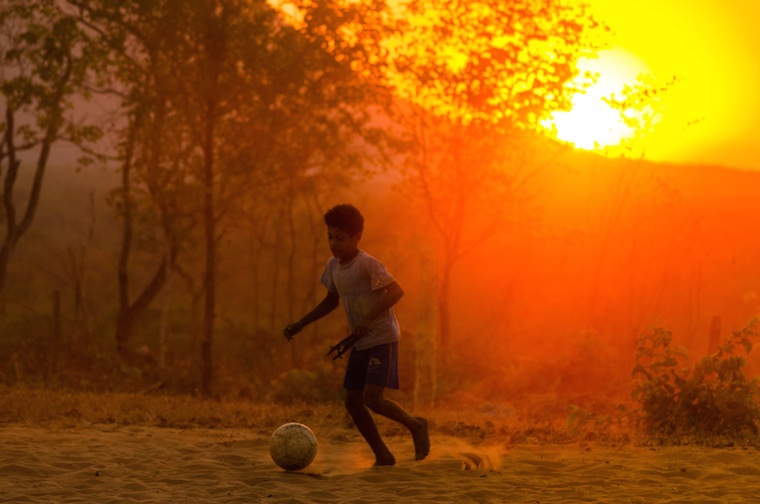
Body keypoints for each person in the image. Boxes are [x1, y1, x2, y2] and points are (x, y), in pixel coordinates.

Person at [283, 204, 430, 466]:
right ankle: (383, 455)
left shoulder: (368, 264)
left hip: (382, 337)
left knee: (373, 399)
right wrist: (301, 323)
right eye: (330, 237)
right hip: (360, 341)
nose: (333, 243)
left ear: (356, 238)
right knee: (352, 402)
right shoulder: (333, 266)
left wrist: (368, 318)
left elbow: (396, 291)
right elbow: (331, 300)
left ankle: (416, 425)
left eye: (340, 238)